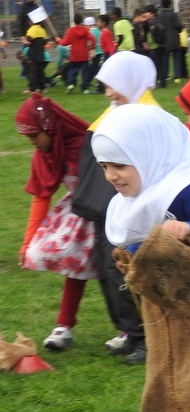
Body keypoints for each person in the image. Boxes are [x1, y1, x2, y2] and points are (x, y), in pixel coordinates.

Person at [72, 51, 159, 365]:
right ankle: (129, 332)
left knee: (129, 272)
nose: (108, 92)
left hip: (132, 209)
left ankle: (147, 339)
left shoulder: (147, 115)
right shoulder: (118, 110)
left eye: (113, 85)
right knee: (108, 271)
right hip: (107, 207)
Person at [91, 104, 190, 253]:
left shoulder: (189, 190)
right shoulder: (134, 198)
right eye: (104, 166)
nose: (110, 176)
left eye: (120, 166)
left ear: (149, 158)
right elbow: (149, 236)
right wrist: (135, 256)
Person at [15, 94, 95, 351]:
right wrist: (27, 244)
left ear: (49, 127)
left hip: (105, 209)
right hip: (78, 209)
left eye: (34, 136)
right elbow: (41, 197)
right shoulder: (46, 153)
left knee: (114, 268)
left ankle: (130, 329)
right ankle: (64, 326)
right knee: (74, 264)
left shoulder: (86, 145)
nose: (32, 143)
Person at [60, 14, 96, 95]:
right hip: (84, 54)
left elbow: (66, 42)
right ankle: (85, 88)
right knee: (85, 72)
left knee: (72, 70)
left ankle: (71, 83)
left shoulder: (70, 30)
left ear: (74, 21)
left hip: (74, 55)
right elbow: (92, 39)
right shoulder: (85, 30)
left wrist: (59, 41)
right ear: (81, 21)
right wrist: (91, 48)